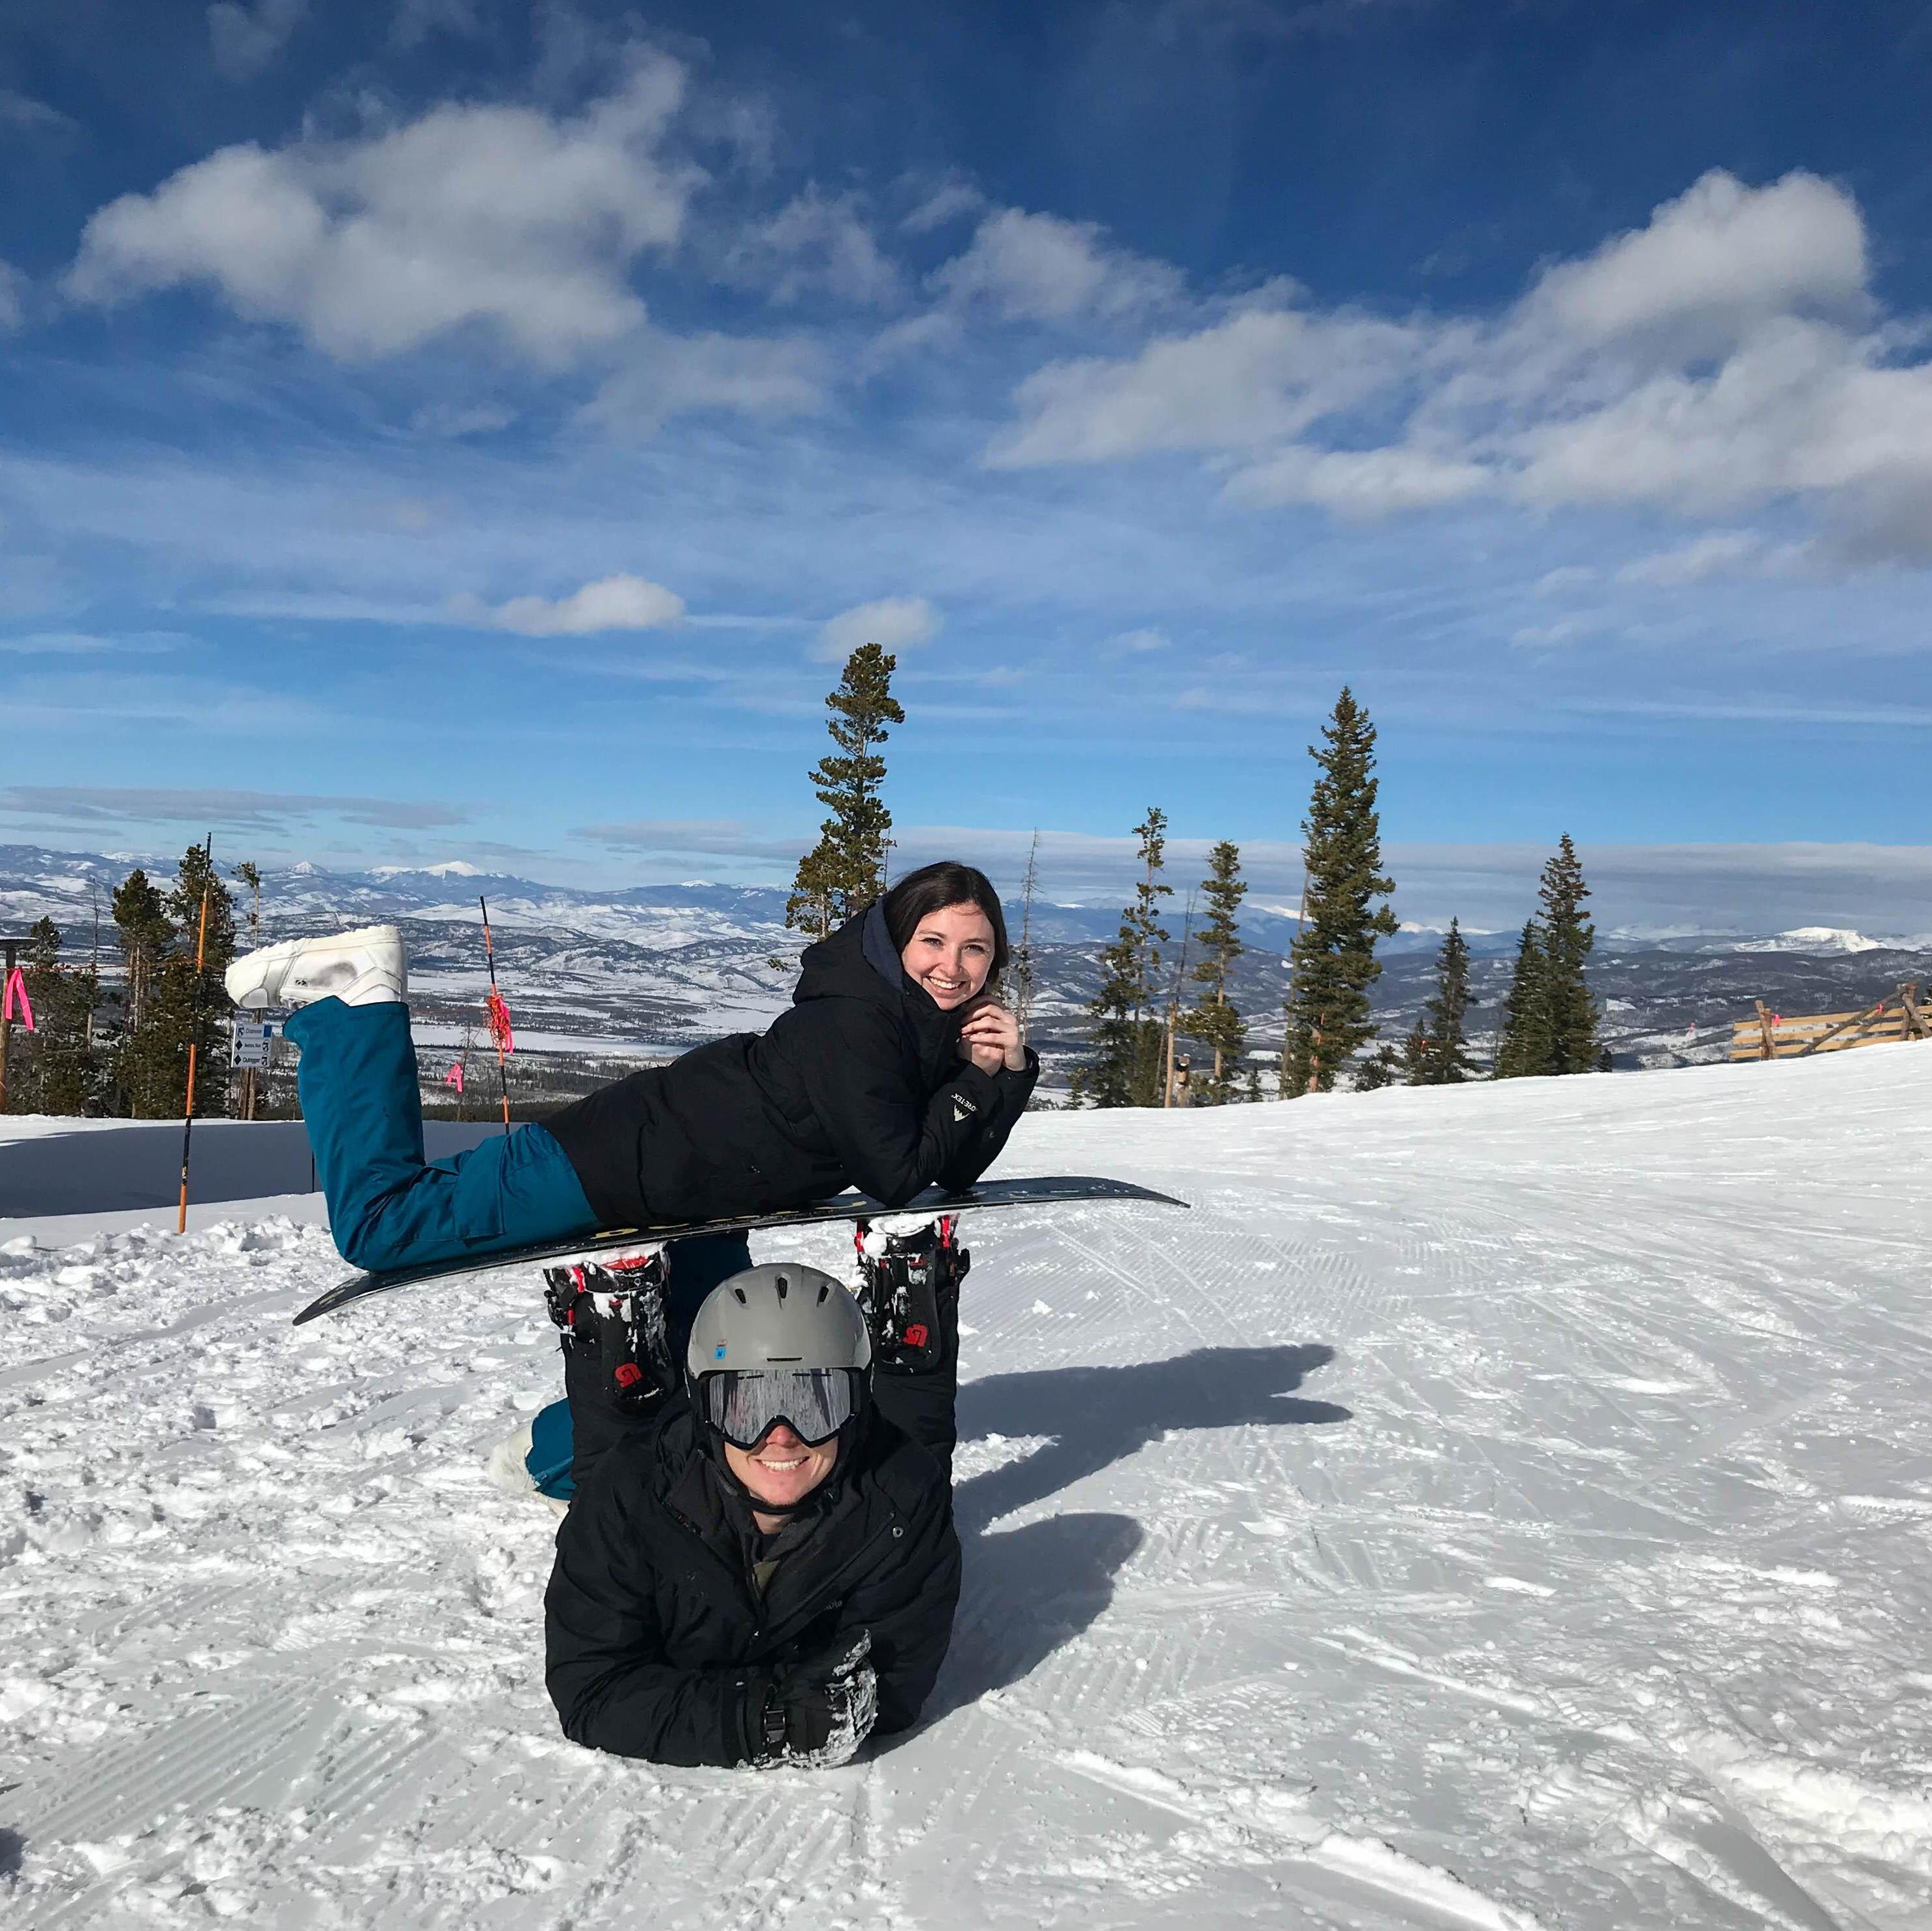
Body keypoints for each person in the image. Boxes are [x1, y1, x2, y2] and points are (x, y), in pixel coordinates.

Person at [222, 862, 1039, 1276]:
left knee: (700, 1347)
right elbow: (899, 1173)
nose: (954, 965)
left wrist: (1000, 1077)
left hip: (699, 1200)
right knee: (383, 1227)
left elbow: (949, 1165)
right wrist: (977, 1085)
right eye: (932, 942)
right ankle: (351, 1005)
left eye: (975, 948)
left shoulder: (918, 1029)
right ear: (896, 944)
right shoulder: (856, 1025)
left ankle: (565, 1463)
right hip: (609, 1170)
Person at [544, 1261, 962, 1768]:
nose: (781, 1435)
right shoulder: (627, 1495)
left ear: (855, 1405)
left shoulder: (902, 1500)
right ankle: (614, 1340)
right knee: (608, 1446)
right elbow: (591, 1688)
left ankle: (910, 1308)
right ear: (704, 1407)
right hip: (655, 1475)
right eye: (746, 1406)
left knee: (916, 1450)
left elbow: (890, 1688)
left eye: (814, 1403)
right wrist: (766, 1717)